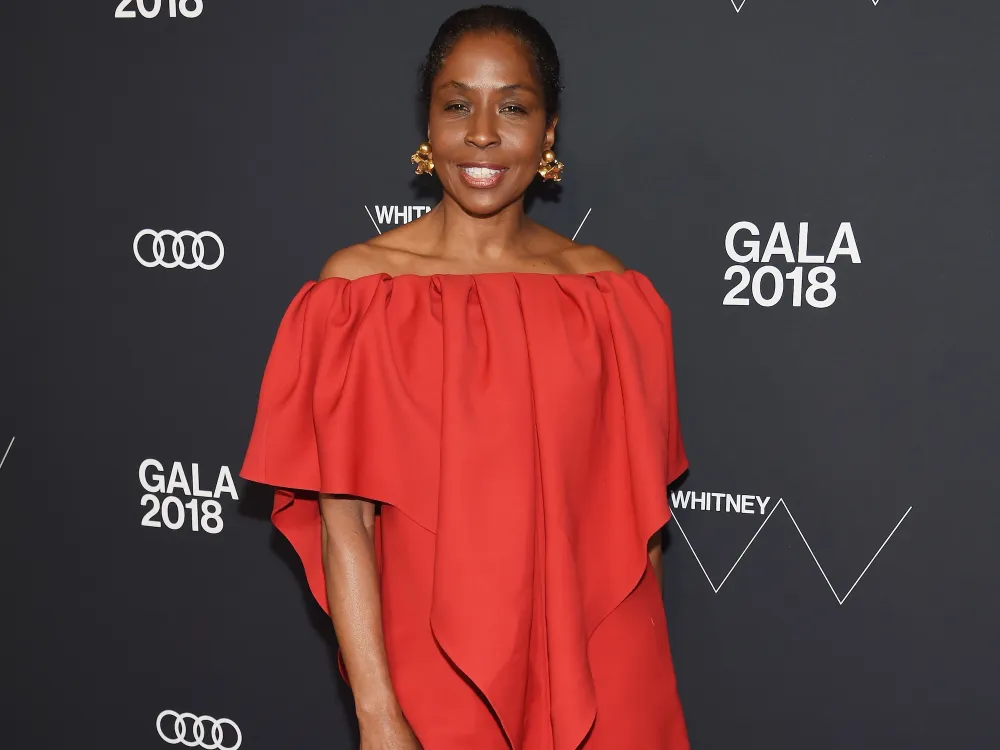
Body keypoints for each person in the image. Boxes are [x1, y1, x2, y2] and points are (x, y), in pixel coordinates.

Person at [240, 5, 690, 749]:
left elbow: (639, 530)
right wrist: (379, 716)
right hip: (433, 670)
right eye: (457, 105)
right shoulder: (362, 294)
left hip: (601, 662)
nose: (482, 132)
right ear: (428, 124)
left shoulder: (608, 296)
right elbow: (344, 520)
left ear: (548, 131)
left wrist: (640, 689)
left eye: (512, 107)